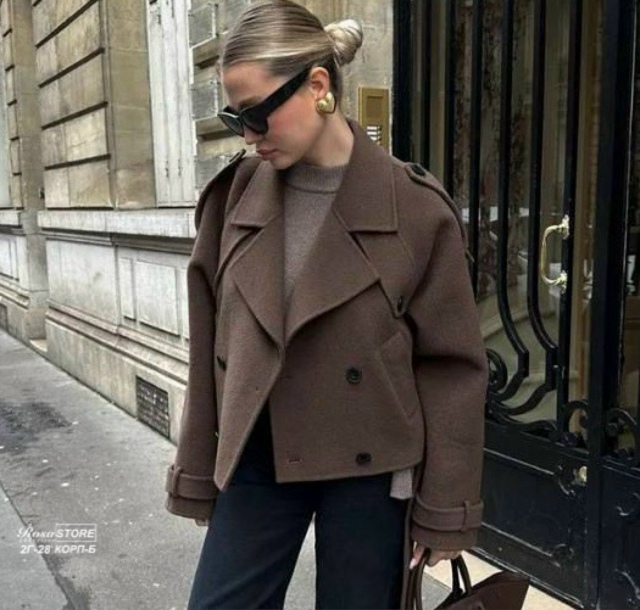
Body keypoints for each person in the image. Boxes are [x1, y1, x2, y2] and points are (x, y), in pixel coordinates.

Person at [164, 1, 488, 609]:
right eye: (235, 120)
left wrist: (446, 504)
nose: (249, 136)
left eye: (256, 114)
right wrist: (200, 468)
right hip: (258, 453)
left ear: (317, 86)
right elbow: (210, 349)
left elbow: (452, 367)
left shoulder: (415, 208)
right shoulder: (231, 198)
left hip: (370, 467)